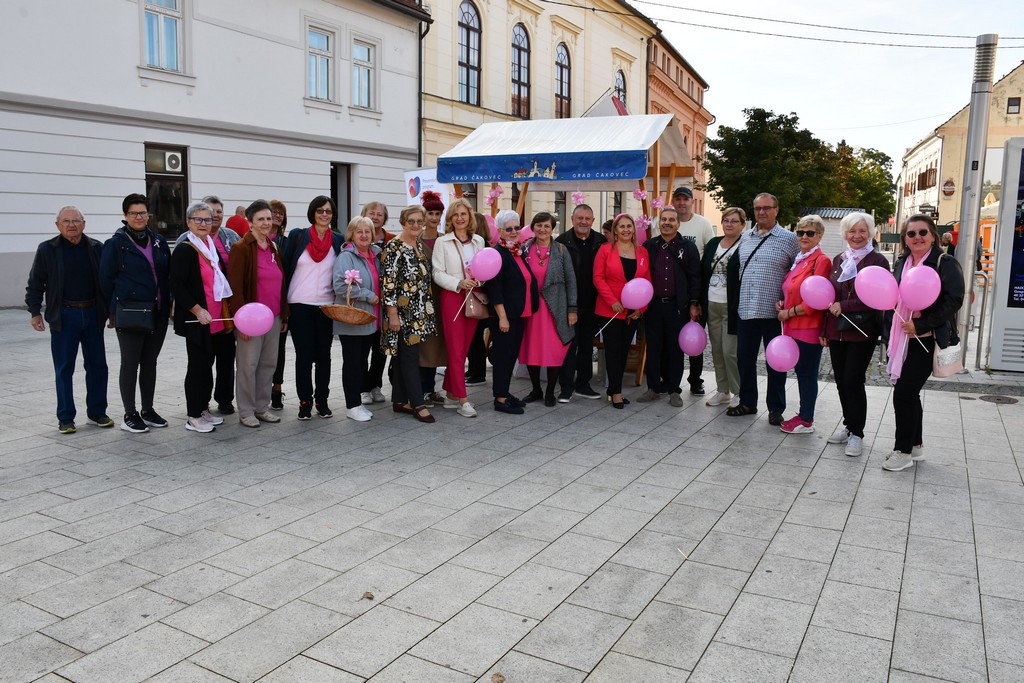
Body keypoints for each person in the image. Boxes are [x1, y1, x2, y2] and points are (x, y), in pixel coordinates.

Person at [882, 214, 964, 471]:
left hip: (925, 339)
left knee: (904, 394)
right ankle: (915, 446)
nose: (917, 237)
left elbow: (954, 300)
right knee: (910, 393)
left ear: (933, 237)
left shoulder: (944, 262)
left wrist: (921, 324)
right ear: (905, 238)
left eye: (922, 233)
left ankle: (902, 451)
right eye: (911, 233)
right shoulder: (902, 262)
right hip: (901, 337)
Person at [26, 206, 111, 434]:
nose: (71, 225)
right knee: (64, 368)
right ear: (57, 224)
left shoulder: (96, 248)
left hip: (93, 313)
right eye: (66, 221)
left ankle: (97, 412)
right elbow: (36, 283)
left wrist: (111, 311)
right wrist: (35, 311)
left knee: (98, 366)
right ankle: (65, 417)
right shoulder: (47, 250)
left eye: (76, 220)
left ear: (84, 223)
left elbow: (106, 283)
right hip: (64, 316)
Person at [99, 193, 172, 434]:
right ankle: (130, 414)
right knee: (130, 364)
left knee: (149, 362)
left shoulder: (159, 240)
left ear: (148, 214)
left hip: (157, 312)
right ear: (125, 216)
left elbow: (167, 276)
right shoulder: (116, 244)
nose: (139, 217)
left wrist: (169, 303)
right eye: (133, 213)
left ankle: (148, 410)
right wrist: (112, 311)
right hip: (130, 313)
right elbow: (105, 280)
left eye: (142, 213)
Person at [728, 193, 799, 424]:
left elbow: (796, 274)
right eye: (758, 208)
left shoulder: (789, 239)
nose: (762, 212)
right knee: (744, 359)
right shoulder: (745, 237)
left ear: (776, 210)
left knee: (776, 362)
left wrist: (788, 303)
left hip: (774, 313)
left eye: (767, 208)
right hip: (746, 310)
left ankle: (776, 408)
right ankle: (748, 402)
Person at [823, 212, 890, 456]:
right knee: (841, 381)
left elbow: (877, 296)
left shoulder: (878, 261)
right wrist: (824, 329)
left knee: (853, 379)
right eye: (852, 231)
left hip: (863, 331)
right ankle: (848, 425)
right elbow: (828, 295)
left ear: (870, 233)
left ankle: (858, 433)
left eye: (862, 231)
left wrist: (846, 306)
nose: (857, 235)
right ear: (845, 234)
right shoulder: (839, 259)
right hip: (837, 330)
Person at [169, 201, 233, 433]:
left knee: (207, 366)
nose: (204, 223)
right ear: (188, 222)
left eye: (208, 219)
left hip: (215, 318)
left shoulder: (209, 245)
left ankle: (203, 408)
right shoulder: (186, 248)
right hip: (198, 319)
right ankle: (193, 415)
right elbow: (176, 284)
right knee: (197, 368)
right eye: (198, 219)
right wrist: (196, 309)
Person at [227, 200, 288, 428]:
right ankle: (246, 410)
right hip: (250, 320)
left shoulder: (273, 247)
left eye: (268, 218)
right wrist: (241, 322)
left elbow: (281, 282)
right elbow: (235, 287)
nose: (266, 222)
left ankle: (262, 407)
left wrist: (284, 314)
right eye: (260, 219)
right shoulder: (241, 248)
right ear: (250, 222)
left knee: (268, 364)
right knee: (248, 365)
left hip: (273, 317)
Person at [283, 196, 344, 419]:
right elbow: (285, 268)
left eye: (328, 211)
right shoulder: (298, 236)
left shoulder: (338, 240)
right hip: (299, 304)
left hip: (326, 306)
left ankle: (322, 400)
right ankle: (305, 401)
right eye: (320, 210)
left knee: (324, 356)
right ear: (313, 212)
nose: (324, 214)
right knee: (304, 355)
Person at [638, 207, 700, 408]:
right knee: (654, 348)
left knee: (675, 349)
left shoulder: (688, 247)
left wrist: (693, 303)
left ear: (678, 223)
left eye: (671, 220)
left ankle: (674, 390)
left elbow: (695, 278)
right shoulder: (648, 246)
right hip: (653, 306)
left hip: (677, 306)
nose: (667, 223)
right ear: (659, 223)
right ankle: (653, 388)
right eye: (663, 219)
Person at [775, 215, 832, 434]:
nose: (804, 236)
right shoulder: (800, 258)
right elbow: (793, 289)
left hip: (808, 327)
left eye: (810, 233)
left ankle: (807, 419)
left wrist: (788, 312)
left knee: (807, 374)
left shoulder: (821, 260)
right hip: (792, 326)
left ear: (820, 235)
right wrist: (783, 302)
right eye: (800, 232)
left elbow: (816, 301)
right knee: (801, 372)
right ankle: (803, 414)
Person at [381, 205, 438, 423]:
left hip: (418, 312)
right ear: (403, 222)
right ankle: (417, 403)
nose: (415, 225)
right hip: (402, 313)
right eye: (411, 221)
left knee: (404, 356)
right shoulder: (394, 246)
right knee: (410, 358)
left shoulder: (418, 245)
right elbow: (388, 284)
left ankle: (399, 401)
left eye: (419, 221)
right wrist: (393, 315)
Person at [432, 198, 484, 418]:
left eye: (464, 214)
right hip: (453, 297)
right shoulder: (442, 242)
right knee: (455, 349)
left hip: (473, 296)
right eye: (456, 215)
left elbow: (484, 268)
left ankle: (450, 393)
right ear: (451, 219)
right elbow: (437, 272)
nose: (460, 218)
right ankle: (463, 400)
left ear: (469, 217)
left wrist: (478, 281)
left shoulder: (479, 241)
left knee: (464, 349)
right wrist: (457, 283)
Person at [520, 211, 578, 406]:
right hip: (531, 309)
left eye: (546, 226)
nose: (542, 229)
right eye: (539, 225)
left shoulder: (561, 250)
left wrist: (572, 309)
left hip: (556, 309)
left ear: (552, 229)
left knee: (554, 351)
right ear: (533, 227)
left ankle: (550, 392)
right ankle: (536, 389)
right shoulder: (524, 249)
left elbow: (571, 281)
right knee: (532, 349)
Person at [594, 213, 651, 409]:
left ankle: (613, 389)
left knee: (624, 351)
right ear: (615, 231)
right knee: (613, 351)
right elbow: (598, 278)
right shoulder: (605, 250)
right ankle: (616, 392)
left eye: (629, 226)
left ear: (634, 229)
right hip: (609, 310)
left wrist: (641, 308)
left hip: (632, 312)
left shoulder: (642, 252)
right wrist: (612, 301)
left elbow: (647, 282)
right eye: (622, 226)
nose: (626, 229)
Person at [486, 210, 540, 414]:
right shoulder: (498, 254)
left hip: (520, 313)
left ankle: (505, 392)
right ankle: (500, 399)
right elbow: (495, 288)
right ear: (499, 231)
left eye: (517, 227)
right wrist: (502, 317)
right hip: (505, 317)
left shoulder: (517, 251)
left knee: (511, 356)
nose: (514, 231)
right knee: (503, 356)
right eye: (508, 228)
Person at [333, 217, 381, 422]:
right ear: (351, 234)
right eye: (359, 231)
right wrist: (369, 295)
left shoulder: (375, 255)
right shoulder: (346, 257)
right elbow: (341, 286)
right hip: (353, 319)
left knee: (361, 361)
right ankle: (352, 405)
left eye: (367, 232)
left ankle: (358, 403)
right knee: (353, 363)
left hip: (371, 320)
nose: (363, 235)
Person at [556, 204, 605, 402]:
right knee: (568, 345)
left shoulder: (601, 242)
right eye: (580, 218)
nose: (583, 222)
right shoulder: (561, 242)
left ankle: (583, 385)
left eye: (587, 218)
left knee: (586, 346)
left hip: (593, 303)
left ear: (593, 221)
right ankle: (566, 387)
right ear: (572, 219)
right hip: (569, 304)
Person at [671, 186, 717, 395]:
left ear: (691, 202)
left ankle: (695, 379)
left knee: (694, 336)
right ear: (673, 201)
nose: (682, 203)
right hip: (672, 290)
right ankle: (671, 379)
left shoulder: (703, 224)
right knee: (672, 338)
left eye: (685, 199)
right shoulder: (667, 221)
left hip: (695, 289)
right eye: (678, 199)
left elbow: (710, 255)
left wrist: (697, 298)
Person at [701, 207, 744, 408]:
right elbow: (703, 273)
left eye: (734, 221)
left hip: (732, 306)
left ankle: (738, 392)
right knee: (717, 350)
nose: (729, 224)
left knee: (730, 352)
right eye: (726, 220)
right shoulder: (713, 244)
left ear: (743, 224)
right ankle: (722, 390)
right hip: (712, 303)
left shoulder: (745, 244)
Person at [359, 201, 393, 405]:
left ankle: (375, 385)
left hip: (385, 301)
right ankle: (363, 387)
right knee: (362, 347)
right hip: (365, 300)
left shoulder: (392, 240)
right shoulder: (357, 238)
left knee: (381, 347)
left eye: (380, 214)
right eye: (372, 213)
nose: (376, 217)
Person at [418, 190, 448, 406]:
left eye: (438, 214)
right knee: (423, 346)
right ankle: (421, 389)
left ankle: (430, 389)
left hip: (441, 298)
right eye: (431, 214)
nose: (434, 218)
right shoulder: (415, 240)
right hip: (420, 301)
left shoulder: (445, 241)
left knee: (438, 346)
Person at [465, 212, 496, 386]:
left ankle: (478, 372)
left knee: (475, 337)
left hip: (479, 297)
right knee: (474, 336)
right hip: (479, 296)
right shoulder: (483, 245)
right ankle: (474, 369)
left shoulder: (481, 246)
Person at [269, 199, 290, 411]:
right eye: (273, 212)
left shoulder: (286, 241)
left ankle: (276, 388)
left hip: (281, 303)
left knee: (279, 350)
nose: (277, 215)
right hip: (258, 306)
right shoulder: (255, 241)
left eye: (280, 213)